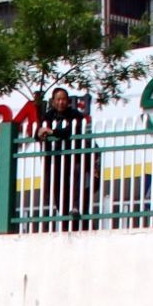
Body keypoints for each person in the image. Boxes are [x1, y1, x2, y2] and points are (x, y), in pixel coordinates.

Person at [36, 87, 92, 229]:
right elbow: (38, 134)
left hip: (72, 159)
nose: (61, 102)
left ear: (68, 101)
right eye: (58, 99)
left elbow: (70, 132)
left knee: (74, 185)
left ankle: (75, 210)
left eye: (64, 99)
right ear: (53, 102)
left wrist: (52, 131)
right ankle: (63, 215)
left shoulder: (75, 115)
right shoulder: (48, 117)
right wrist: (40, 133)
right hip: (54, 161)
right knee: (56, 189)